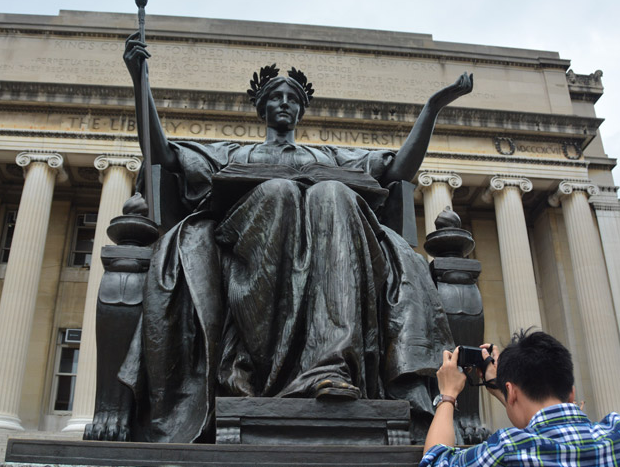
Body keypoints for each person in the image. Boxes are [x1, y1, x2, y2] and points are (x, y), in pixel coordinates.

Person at [92, 34, 473, 443]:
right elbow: (163, 155)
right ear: (262, 108)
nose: (285, 103)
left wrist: (433, 108)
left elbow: (398, 168)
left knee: (333, 193)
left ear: (301, 110)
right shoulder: (233, 154)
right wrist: (140, 82)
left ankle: (330, 367)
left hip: (330, 251)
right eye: (276, 97)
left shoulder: (326, 158)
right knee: (279, 192)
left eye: (293, 98)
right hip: (246, 251)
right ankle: (255, 368)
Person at [421, 330, 620, 467]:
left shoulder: (509, 451)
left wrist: (448, 394)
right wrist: (505, 388)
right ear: (571, 393)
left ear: (511, 392)